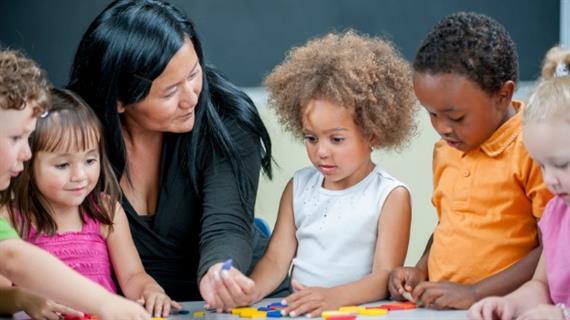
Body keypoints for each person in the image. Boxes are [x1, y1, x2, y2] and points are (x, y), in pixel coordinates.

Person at [66, 0, 283, 302]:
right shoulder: (71, 141)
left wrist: (219, 273)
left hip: (242, 303)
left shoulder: (226, 116)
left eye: (193, 74)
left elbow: (228, 224)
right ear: (118, 100)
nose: (190, 98)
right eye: (169, 92)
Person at [209, 31, 417, 316]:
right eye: (311, 138)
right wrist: (251, 291)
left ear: (374, 134)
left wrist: (331, 298)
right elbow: (276, 260)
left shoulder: (390, 196)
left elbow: (384, 278)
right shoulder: (299, 186)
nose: (321, 152)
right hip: (305, 311)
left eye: (336, 139)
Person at [387, 12, 553, 309]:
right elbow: (448, 224)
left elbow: (553, 246)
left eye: (456, 117)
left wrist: (476, 292)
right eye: (431, 113)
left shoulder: (533, 148)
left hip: (504, 309)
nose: (441, 127)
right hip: (444, 310)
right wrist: (421, 269)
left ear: (503, 95)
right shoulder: (446, 149)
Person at [1, 88, 181, 318]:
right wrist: (25, 299)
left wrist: (150, 290)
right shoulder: (10, 217)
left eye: (89, 160)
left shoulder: (105, 211)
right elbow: (2, 292)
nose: (79, 175)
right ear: (27, 162)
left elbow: (133, 276)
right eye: (62, 165)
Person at [469, 46, 570, 320]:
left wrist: (562, 315)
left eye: (562, 165)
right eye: (541, 165)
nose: (549, 180)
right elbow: (540, 286)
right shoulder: (557, 214)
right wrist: (510, 305)